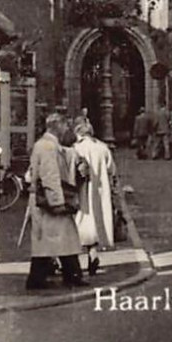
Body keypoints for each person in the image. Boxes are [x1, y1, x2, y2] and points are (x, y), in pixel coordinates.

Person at [27, 112, 87, 289]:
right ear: (58, 125)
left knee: (53, 241)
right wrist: (57, 202)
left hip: (46, 200)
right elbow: (50, 176)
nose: (67, 129)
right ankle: (62, 276)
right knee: (55, 240)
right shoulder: (47, 147)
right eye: (65, 125)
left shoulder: (47, 144)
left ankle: (67, 275)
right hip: (49, 202)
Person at [72, 118, 117, 276]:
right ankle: (93, 254)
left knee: (79, 223)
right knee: (97, 221)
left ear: (78, 133)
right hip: (99, 191)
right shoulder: (103, 148)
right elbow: (112, 169)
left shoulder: (76, 148)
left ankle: (73, 262)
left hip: (81, 191)